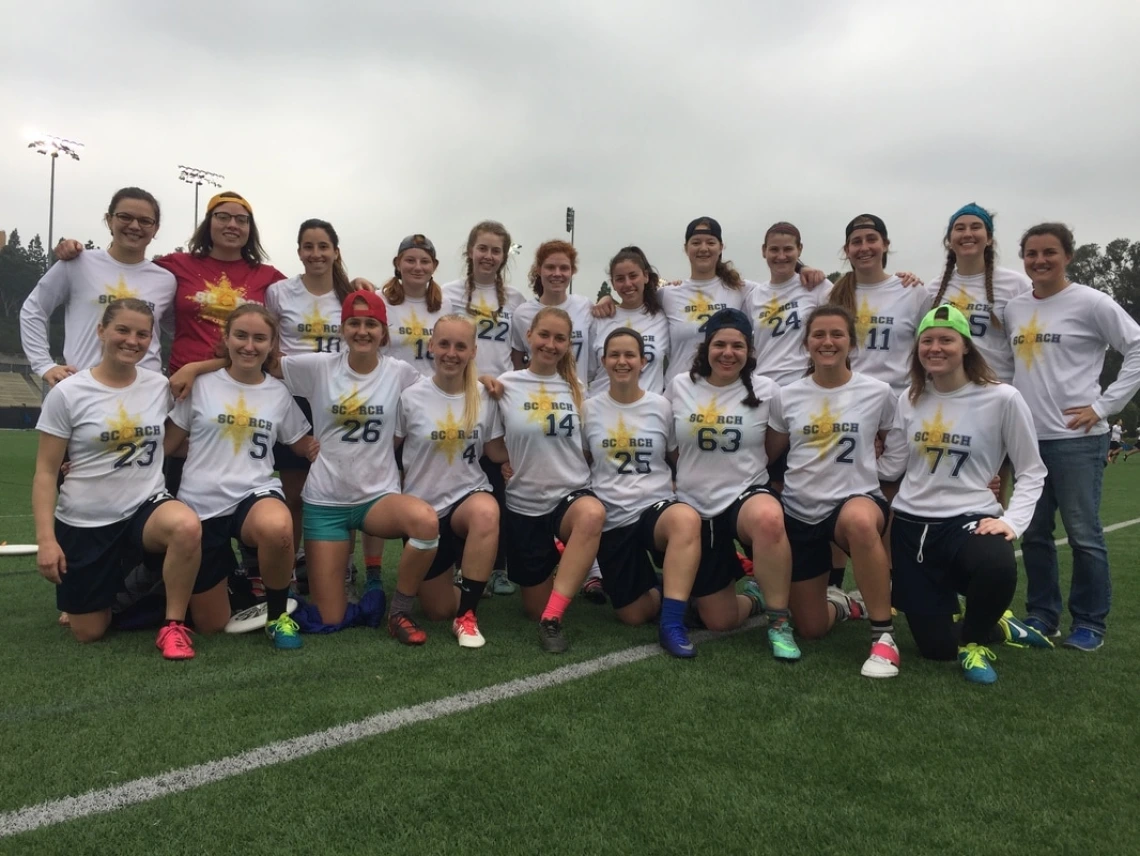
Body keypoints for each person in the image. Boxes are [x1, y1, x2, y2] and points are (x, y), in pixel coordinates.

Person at [878, 305, 1049, 683]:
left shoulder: (1002, 398)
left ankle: (974, 641)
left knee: (997, 564)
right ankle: (998, 626)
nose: (935, 348)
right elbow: (892, 466)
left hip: (967, 520)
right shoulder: (910, 398)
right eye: (927, 340)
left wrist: (1011, 522)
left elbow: (1032, 469)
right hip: (911, 527)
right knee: (936, 651)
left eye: (946, 340)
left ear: (966, 347)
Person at [31, 298, 202, 658]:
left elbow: (174, 435)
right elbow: (46, 472)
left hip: (145, 507)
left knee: (186, 525)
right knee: (89, 632)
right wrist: (46, 541)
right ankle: (129, 585)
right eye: (122, 330)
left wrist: (200, 365)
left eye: (142, 334)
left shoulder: (158, 386)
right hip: (87, 518)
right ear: (101, 331)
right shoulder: (68, 393)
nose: (132, 341)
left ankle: (173, 626)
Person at [1005, 223, 1140, 651]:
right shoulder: (1014, 308)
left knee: (1083, 533)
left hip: (1077, 439)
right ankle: (1043, 617)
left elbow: (1137, 345)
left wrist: (1104, 406)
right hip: (1027, 438)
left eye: (1049, 252)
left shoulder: (1091, 302)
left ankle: (1090, 623)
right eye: (1031, 253)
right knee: (1036, 534)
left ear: (1068, 256)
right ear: (1023, 258)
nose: (1040, 261)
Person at [277, 292, 438, 642]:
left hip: (376, 498)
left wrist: (484, 382)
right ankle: (298, 597)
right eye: (355, 323)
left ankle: (399, 612)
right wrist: (197, 368)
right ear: (343, 328)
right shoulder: (319, 367)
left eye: (371, 324)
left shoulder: (400, 373)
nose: (362, 331)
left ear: (383, 331)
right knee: (330, 616)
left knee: (425, 523)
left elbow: (442, 393)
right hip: (325, 502)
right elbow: (260, 360)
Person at [165, 304, 312, 649]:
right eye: (241, 336)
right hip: (201, 504)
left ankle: (278, 616)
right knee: (212, 624)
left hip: (254, 493)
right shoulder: (200, 384)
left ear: (272, 343)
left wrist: (330, 449)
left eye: (260, 338)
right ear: (226, 338)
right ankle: (236, 583)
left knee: (278, 527)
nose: (249, 345)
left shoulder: (277, 393)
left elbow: (301, 442)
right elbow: (166, 446)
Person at [766, 306, 899, 677]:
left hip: (854, 501)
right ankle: (841, 604)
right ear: (806, 343)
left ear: (851, 343)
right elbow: (768, 452)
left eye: (837, 334)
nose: (827, 342)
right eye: (819, 335)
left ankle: (883, 635)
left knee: (859, 521)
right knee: (810, 629)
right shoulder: (787, 395)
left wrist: (878, 472)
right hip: (800, 510)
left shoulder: (878, 391)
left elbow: (899, 442)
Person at [666, 308, 796, 660]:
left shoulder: (768, 390)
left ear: (750, 350)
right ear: (706, 347)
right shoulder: (680, 385)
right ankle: (754, 596)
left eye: (737, 345)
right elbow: (673, 446)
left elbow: (773, 447)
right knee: (719, 621)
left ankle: (780, 623)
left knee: (769, 518)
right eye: (719, 344)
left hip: (744, 493)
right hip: (695, 503)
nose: (728, 352)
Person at [483, 306, 607, 653]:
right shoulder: (504, 386)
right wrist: (513, 462)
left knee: (592, 514)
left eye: (559, 338)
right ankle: (562, 560)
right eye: (544, 335)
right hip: (525, 503)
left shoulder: (577, 389)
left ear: (569, 345)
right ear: (529, 336)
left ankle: (552, 619)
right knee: (531, 607)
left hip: (570, 495)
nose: (550, 344)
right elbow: (493, 448)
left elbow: (587, 447)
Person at [584, 327, 702, 656]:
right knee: (633, 615)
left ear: (643, 361)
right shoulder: (588, 409)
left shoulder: (662, 406)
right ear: (603, 361)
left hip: (656, 507)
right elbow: (581, 459)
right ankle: (676, 590)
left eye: (630, 355)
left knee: (684, 520)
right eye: (615, 355)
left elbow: (678, 457)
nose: (622, 361)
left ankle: (673, 623)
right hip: (613, 518)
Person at [396, 315, 503, 647]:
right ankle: (471, 579)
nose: (451, 353)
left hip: (468, 498)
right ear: (431, 346)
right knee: (438, 609)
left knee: (487, 511)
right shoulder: (411, 397)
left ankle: (467, 616)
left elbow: (496, 451)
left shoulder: (485, 397)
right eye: (444, 344)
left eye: (461, 346)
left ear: (473, 350)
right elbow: (391, 452)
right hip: (423, 510)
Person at [441, 221, 526, 597]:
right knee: (463, 475)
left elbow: (519, 353)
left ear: (504, 257)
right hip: (463, 394)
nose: (488, 256)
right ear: (470, 251)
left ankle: (498, 566)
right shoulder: (448, 294)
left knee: (500, 477)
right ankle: (460, 564)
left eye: (496, 251)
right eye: (482, 248)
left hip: (500, 399)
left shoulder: (517, 300)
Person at [264, 219, 357, 560]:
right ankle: (288, 570)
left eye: (323, 246)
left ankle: (342, 569)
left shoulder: (349, 294)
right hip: (293, 401)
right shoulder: (279, 292)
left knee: (339, 492)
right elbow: (269, 343)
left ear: (335, 251)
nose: (316, 254)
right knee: (294, 494)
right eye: (308, 247)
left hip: (338, 401)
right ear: (299, 251)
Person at [21, 188, 176, 387]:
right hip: (84, 387)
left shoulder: (166, 280)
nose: (135, 226)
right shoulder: (77, 263)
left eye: (145, 221)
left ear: (156, 229)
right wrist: (44, 365)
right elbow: (34, 310)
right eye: (125, 217)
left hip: (146, 392)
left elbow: (183, 330)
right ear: (109, 220)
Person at [828, 214, 932, 398]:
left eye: (871, 239)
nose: (864, 247)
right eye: (857, 242)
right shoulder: (832, 296)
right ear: (847, 249)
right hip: (849, 399)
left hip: (900, 399)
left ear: (885, 244)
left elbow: (928, 350)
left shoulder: (912, 291)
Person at [927, 204, 1031, 384]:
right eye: (960, 228)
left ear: (989, 238)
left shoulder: (1015, 285)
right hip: (949, 391)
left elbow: (1028, 345)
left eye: (975, 227)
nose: (967, 234)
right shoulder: (933, 289)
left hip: (996, 389)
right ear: (949, 241)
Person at [747, 222, 834, 388]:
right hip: (763, 386)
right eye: (774, 249)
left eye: (788, 249)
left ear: (799, 249)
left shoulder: (817, 287)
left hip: (804, 384)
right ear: (764, 251)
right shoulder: (754, 296)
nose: (781, 256)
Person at [587, 247, 671, 397]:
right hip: (602, 413)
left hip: (647, 415)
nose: (627, 284)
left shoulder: (662, 318)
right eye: (620, 279)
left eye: (633, 276)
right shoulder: (599, 319)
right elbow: (586, 372)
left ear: (645, 276)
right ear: (612, 284)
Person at [510, 240, 595, 370]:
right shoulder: (522, 313)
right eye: (550, 267)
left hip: (576, 389)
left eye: (564, 268)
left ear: (572, 271)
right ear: (539, 270)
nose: (557, 274)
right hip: (538, 389)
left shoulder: (585, 306)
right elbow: (518, 363)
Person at [382, 234, 451, 375]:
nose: (418, 267)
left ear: (434, 266)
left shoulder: (445, 304)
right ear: (397, 263)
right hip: (391, 390)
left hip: (429, 391)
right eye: (410, 260)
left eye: (425, 261)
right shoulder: (380, 300)